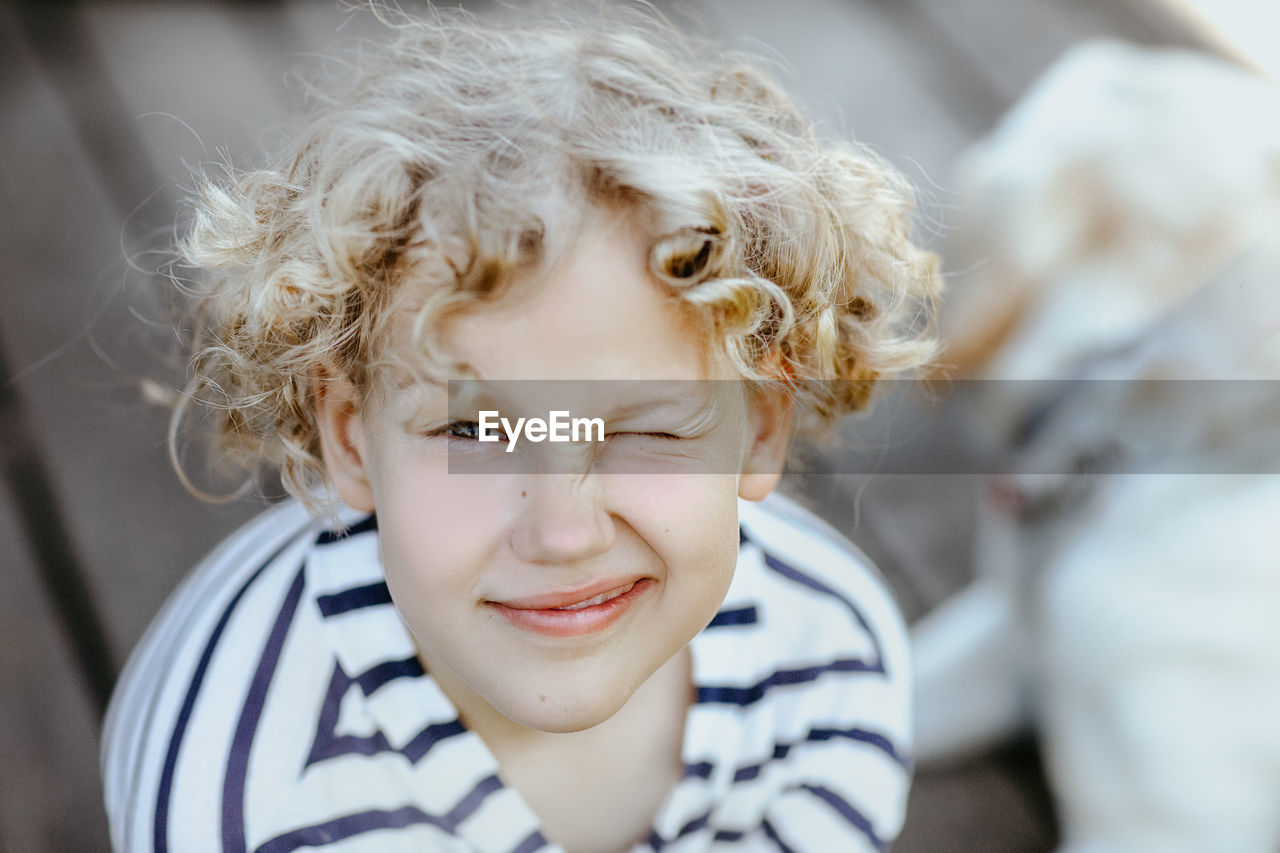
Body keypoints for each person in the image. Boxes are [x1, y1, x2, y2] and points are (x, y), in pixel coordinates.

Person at [101, 6, 939, 851]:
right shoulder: (245, 793)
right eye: (473, 432)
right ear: (350, 437)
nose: (564, 532)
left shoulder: (827, 666)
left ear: (759, 428)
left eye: (644, 432)